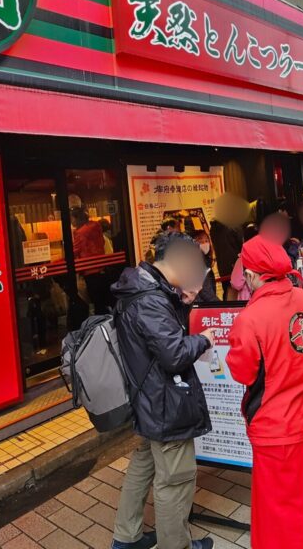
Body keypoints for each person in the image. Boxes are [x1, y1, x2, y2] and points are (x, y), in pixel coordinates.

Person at [227, 235, 303, 549]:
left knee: (281, 513)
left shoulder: (250, 319)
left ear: (249, 275)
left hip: (276, 430)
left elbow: (242, 372)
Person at [110, 232, 215, 549]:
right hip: (165, 403)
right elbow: (174, 355)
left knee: (143, 467)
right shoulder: (151, 299)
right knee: (175, 480)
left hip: (148, 399)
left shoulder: (143, 286)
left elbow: (158, 340)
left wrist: (182, 302)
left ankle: (127, 538)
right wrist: (205, 339)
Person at [229, 211, 293, 300]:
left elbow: (236, 284)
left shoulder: (242, 259)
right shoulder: (270, 252)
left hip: (248, 301)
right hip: (274, 297)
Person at [192, 229, 220, 303]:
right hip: (201, 306)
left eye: (206, 241)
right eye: (200, 241)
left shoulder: (205, 260)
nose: (204, 244)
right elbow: (206, 293)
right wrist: (221, 305)